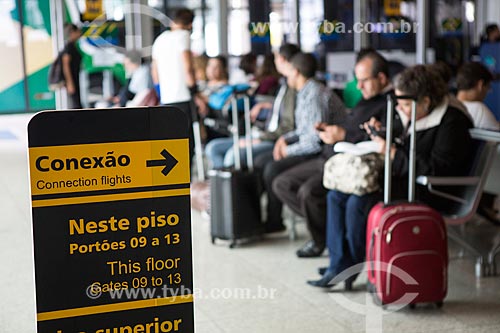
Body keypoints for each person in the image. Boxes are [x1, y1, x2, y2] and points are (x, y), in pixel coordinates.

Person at [308, 65, 473, 288]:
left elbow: (437, 169)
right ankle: (339, 263)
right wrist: (380, 132)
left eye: (405, 105)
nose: (401, 110)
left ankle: (346, 267)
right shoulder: (412, 110)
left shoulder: (451, 122)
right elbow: (401, 138)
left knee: (358, 201)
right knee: (336, 195)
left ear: (426, 101)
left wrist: (393, 153)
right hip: (403, 180)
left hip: (432, 189)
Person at [273, 51, 397, 257]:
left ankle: (324, 239)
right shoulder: (367, 99)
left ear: (382, 78)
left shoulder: (389, 104)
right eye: (357, 80)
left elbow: (376, 141)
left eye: (364, 80)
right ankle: (327, 233)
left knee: (308, 193)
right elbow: (350, 126)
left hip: (350, 164)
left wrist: (343, 134)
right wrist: (331, 130)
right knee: (282, 183)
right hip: (331, 156)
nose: (358, 87)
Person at [256, 52, 346, 233]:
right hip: (314, 147)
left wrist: (287, 151)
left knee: (272, 168)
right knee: (262, 163)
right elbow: (304, 129)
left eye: (288, 71)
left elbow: (313, 142)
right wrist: (285, 139)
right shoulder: (305, 91)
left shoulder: (314, 95)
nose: (285, 76)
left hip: (323, 152)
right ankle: (270, 219)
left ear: (296, 72)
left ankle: (318, 223)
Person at [204, 44, 299, 169]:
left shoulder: (292, 88)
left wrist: (260, 138)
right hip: (265, 133)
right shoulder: (283, 85)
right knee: (213, 148)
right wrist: (264, 105)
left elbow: (288, 125)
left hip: (271, 138)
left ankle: (231, 185)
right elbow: (284, 108)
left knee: (233, 155)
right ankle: (222, 184)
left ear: (282, 59)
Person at [151, 8, 207, 158]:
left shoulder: (160, 40)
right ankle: (187, 178)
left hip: (167, 100)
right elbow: (188, 68)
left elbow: (155, 73)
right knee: (188, 143)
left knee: (173, 142)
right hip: (184, 97)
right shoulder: (183, 36)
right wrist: (195, 93)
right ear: (190, 24)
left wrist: (161, 94)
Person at [456, 62, 500, 130]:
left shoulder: (451, 105)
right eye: (488, 87)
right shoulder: (479, 109)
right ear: (480, 85)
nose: (487, 93)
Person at [61, 24, 82, 109]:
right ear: (72, 33)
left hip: (75, 79)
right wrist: (70, 83)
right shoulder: (69, 47)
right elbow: (66, 65)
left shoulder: (73, 46)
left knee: (77, 103)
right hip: (72, 80)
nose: (79, 33)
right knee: (76, 105)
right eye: (77, 31)